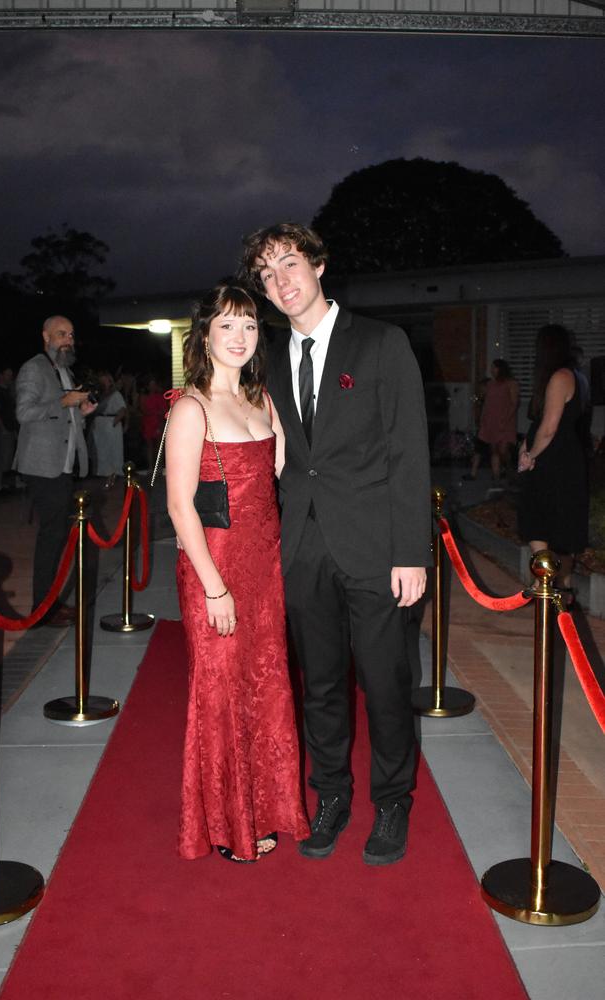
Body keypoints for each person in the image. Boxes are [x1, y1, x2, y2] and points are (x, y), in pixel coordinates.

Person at [239, 223, 431, 866]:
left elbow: (409, 453)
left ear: (319, 264)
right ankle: (331, 796)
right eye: (267, 276)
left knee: (384, 680)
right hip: (302, 543)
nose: (281, 282)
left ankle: (394, 801)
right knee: (319, 684)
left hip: (376, 544)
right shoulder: (264, 355)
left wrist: (412, 552)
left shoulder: (381, 343)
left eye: (289, 264)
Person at [165, 283, 309, 863]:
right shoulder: (190, 408)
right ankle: (227, 825)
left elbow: (277, 481)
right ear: (204, 335)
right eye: (227, 326)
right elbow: (180, 508)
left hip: (265, 565)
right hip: (215, 568)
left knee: (268, 683)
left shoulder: (263, 402)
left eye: (249, 326)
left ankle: (268, 807)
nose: (240, 337)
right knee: (221, 690)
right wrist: (214, 587)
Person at [14, 316, 97, 627]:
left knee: (57, 535)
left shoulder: (63, 369)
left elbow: (67, 419)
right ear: (45, 335)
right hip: (43, 465)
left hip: (62, 464)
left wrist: (82, 412)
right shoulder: (34, 368)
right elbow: (24, 412)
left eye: (72, 335)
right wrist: (64, 402)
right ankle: (42, 608)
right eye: (62, 334)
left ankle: (49, 603)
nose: (68, 340)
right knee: (52, 537)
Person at [518, 324, 589, 605]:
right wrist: (527, 444)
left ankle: (547, 586)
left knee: (540, 521)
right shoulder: (571, 376)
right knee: (558, 526)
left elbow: (549, 428)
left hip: (554, 462)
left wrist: (530, 455)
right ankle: (560, 591)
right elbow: (541, 423)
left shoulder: (560, 377)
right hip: (562, 459)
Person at [465, 359, 519, 482]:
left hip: (505, 422)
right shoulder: (490, 384)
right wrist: (481, 418)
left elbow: (514, 403)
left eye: (494, 367)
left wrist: (506, 419)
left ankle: (509, 469)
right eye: (491, 368)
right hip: (491, 421)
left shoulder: (511, 383)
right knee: (494, 449)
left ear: (501, 369)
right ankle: (496, 477)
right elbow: (486, 402)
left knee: (503, 450)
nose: (492, 370)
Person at [88, 370, 127, 488]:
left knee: (112, 451)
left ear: (109, 381)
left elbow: (123, 410)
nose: (103, 382)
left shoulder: (115, 394)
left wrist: (113, 423)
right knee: (101, 451)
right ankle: (103, 477)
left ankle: (113, 477)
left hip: (110, 424)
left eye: (105, 379)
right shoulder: (101, 394)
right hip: (100, 425)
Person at [140, 375, 167, 472]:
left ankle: (159, 466)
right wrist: (156, 412)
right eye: (150, 385)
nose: (152, 387)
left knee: (159, 446)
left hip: (158, 422)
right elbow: (143, 410)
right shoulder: (144, 397)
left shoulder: (160, 397)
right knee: (149, 446)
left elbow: (164, 411)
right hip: (148, 423)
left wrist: (158, 414)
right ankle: (150, 467)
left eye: (154, 385)